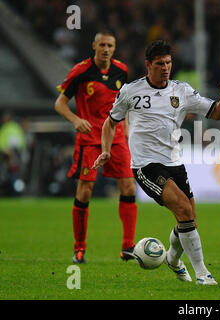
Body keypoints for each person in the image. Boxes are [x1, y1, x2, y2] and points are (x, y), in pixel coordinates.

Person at [92, 40, 220, 285]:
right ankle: (202, 273)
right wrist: (105, 150)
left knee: (189, 217)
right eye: (160, 64)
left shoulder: (182, 91)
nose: (165, 68)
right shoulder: (130, 91)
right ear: (148, 65)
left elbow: (218, 113)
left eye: (168, 63)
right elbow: (110, 122)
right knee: (182, 208)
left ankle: (172, 258)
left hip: (174, 162)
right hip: (145, 165)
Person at [54, 31, 138, 264]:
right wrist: (75, 120)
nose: (106, 49)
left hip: (117, 136)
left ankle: (128, 247)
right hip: (90, 138)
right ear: (94, 46)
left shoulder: (122, 70)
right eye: (102, 44)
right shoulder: (81, 70)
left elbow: (126, 102)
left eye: (110, 45)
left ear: (115, 47)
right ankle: (79, 248)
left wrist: (128, 128)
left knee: (129, 187)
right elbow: (59, 104)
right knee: (85, 191)